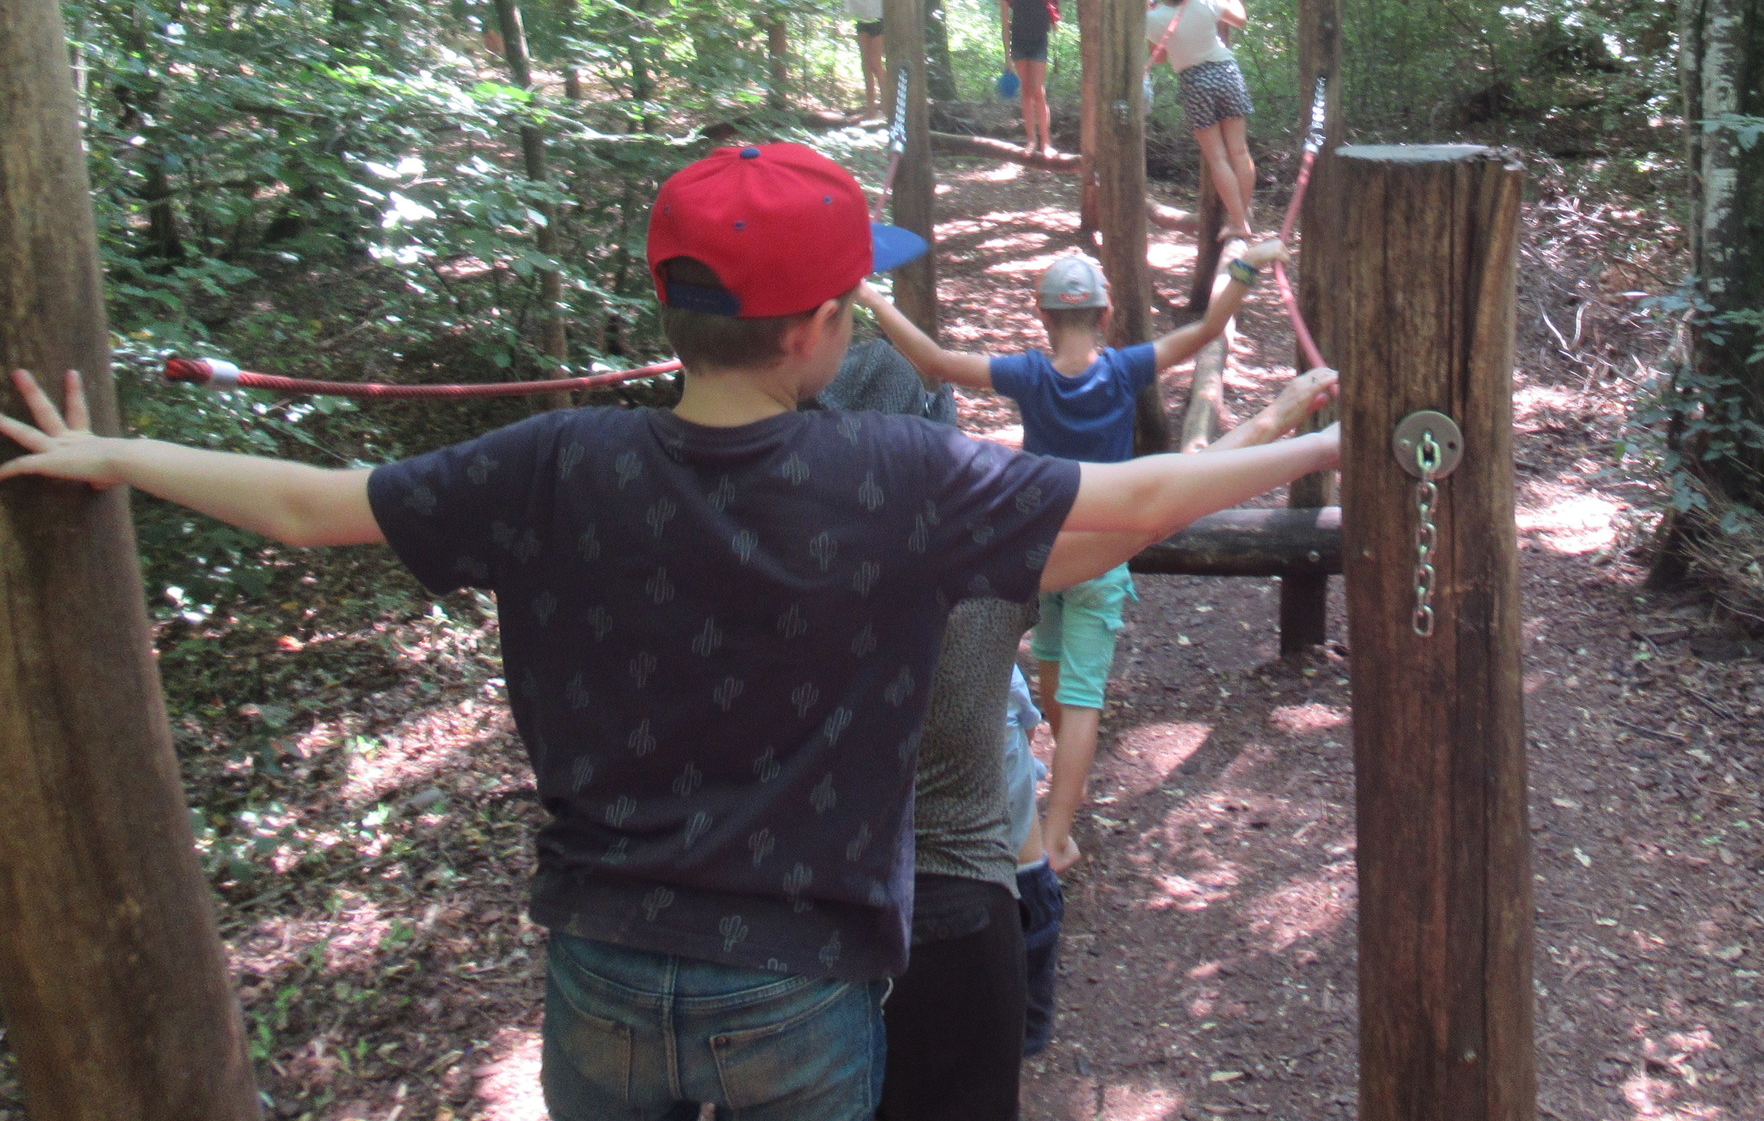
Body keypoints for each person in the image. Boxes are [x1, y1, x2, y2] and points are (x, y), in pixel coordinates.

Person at [0, 141, 1340, 1121]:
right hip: (799, 984)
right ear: (822, 328)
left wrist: (117, 452)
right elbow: (1133, 503)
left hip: (600, 970)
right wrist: (1331, 443)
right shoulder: (891, 474)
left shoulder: (557, 461)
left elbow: (310, 507)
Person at [841, 361, 1334, 1121]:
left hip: (819, 907)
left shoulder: (769, 552)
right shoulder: (979, 556)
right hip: (956, 911)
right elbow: (1147, 510)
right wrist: (1296, 429)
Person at [859, 238, 1283, 871]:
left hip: (1043, 554)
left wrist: (872, 298)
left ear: (1043, 315)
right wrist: (1246, 268)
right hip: (1104, 552)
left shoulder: (1030, 375)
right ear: (1106, 314)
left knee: (1055, 674)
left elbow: (934, 361)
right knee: (1080, 693)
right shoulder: (1123, 370)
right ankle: (1058, 833)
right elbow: (1204, 332)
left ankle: (1061, 806)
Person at [1147, 0, 1257, 240]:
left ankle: (1239, 222)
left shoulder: (1153, 19)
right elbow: (1240, 20)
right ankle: (1243, 214)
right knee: (1239, 150)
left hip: (1194, 81)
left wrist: (1152, 16)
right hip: (1226, 71)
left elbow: (1160, 57)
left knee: (1218, 157)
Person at [994, 0, 1062, 157]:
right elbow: (1005, 23)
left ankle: (1046, 143)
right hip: (1019, 42)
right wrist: (1007, 57)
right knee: (1026, 92)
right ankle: (1031, 140)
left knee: (1038, 91)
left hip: (1039, 40)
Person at [830, 0, 888, 118]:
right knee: (866, 65)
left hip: (879, 18)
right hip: (861, 20)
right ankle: (871, 110)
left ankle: (887, 108)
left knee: (875, 63)